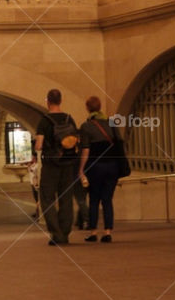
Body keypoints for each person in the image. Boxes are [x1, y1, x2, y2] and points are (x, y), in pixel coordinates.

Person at [34, 89, 79, 246]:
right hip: (68, 164)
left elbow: (39, 145)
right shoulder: (69, 119)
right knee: (66, 198)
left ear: (48, 101)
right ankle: (65, 233)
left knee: (47, 198)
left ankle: (56, 233)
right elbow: (75, 140)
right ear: (61, 100)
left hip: (51, 165)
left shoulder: (44, 121)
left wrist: (38, 145)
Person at [78, 96, 121, 243]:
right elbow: (119, 144)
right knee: (107, 200)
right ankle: (108, 232)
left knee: (94, 200)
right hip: (112, 166)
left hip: (95, 167)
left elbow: (85, 150)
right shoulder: (112, 123)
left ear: (87, 108)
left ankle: (94, 232)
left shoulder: (86, 126)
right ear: (100, 106)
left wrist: (81, 169)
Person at [27, 155, 40, 219]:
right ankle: (37, 211)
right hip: (32, 182)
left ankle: (38, 213)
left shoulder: (38, 165)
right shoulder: (33, 164)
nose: (31, 159)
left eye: (33, 157)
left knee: (38, 198)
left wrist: (30, 167)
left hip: (36, 183)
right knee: (36, 198)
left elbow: (36, 172)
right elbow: (29, 171)